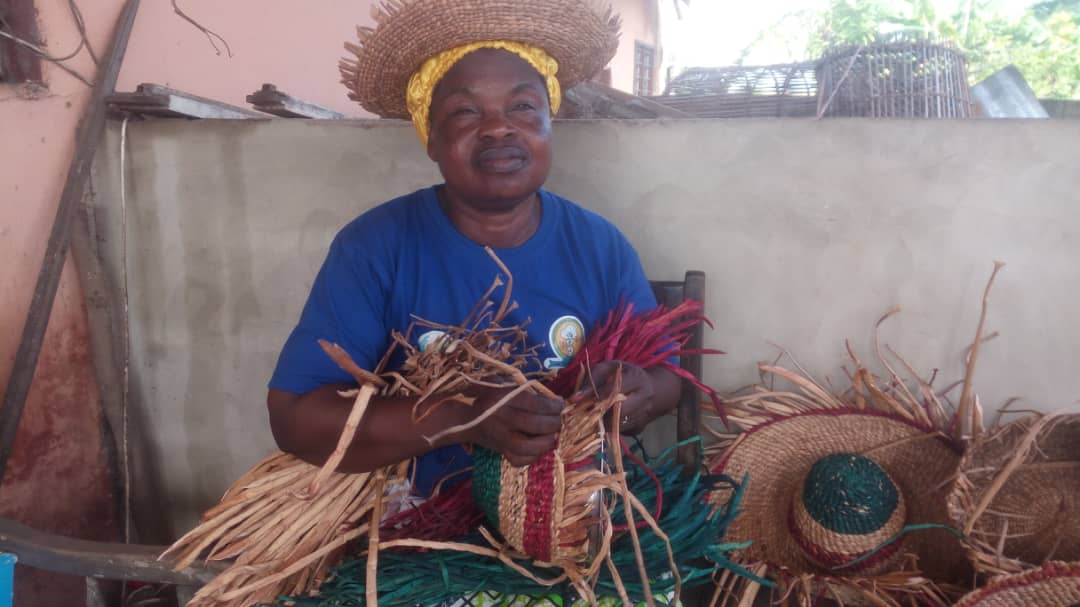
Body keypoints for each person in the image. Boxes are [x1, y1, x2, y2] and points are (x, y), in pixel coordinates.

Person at [266, 0, 680, 500]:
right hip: (418, 528)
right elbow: (294, 418)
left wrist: (639, 392)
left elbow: (665, 379)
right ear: (431, 138)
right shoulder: (375, 247)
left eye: (523, 107)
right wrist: (465, 417)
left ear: (551, 125)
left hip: (575, 516)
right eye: (465, 111)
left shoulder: (600, 246)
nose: (498, 127)